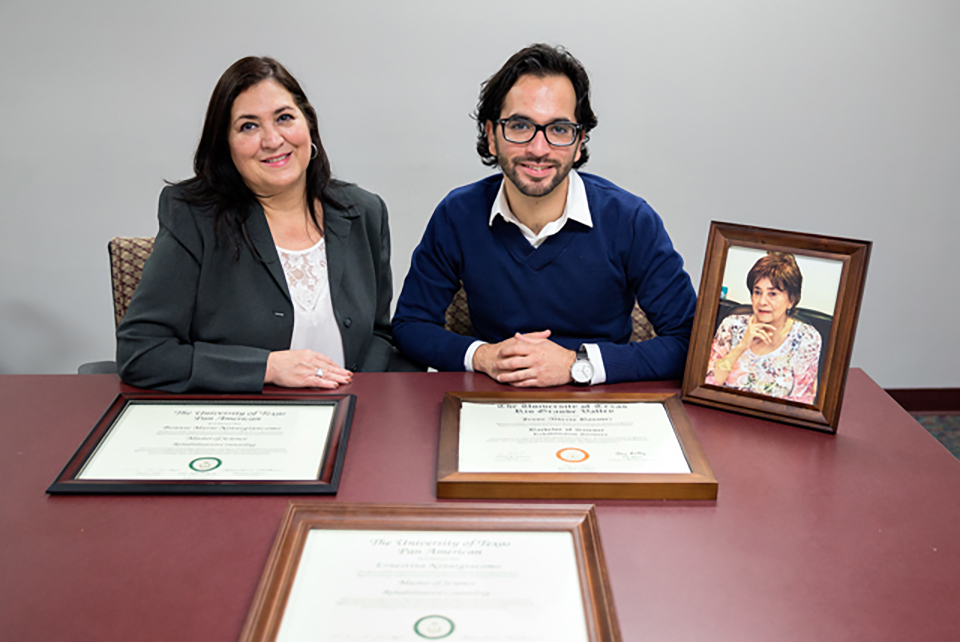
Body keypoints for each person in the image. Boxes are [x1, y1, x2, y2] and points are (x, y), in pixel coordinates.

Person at [392, 44, 697, 386]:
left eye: (559, 129)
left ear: (579, 141)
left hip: (603, 406)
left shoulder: (630, 220)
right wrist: (484, 356)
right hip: (493, 403)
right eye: (521, 126)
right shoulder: (457, 214)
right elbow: (410, 325)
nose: (539, 149)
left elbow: (689, 343)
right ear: (491, 136)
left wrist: (575, 364)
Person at [117, 56, 399, 393]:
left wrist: (358, 393)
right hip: (242, 422)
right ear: (226, 145)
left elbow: (379, 334)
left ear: (308, 124)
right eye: (248, 126)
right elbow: (142, 351)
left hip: (349, 415)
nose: (272, 139)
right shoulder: (193, 217)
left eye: (284, 118)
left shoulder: (365, 211)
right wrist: (268, 367)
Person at [705, 252, 822, 404]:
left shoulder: (806, 339)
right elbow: (709, 384)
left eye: (773, 294)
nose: (762, 301)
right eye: (757, 292)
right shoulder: (731, 326)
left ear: (791, 300)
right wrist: (741, 346)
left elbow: (802, 403)